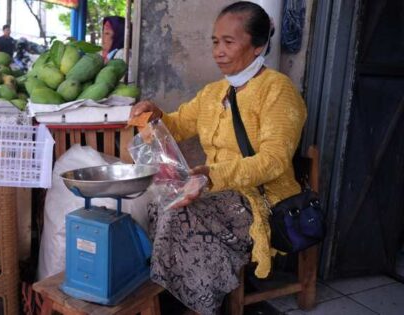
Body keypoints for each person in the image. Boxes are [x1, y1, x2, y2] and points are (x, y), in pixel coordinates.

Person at [129, 2, 307, 314]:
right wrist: (155, 114)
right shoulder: (214, 93)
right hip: (216, 188)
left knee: (180, 214)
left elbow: (274, 161)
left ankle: (196, 303)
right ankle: (187, 295)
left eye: (229, 42)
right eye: (215, 41)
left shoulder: (278, 90)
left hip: (260, 199)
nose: (218, 51)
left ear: (258, 46)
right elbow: (179, 123)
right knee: (166, 204)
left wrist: (211, 176)